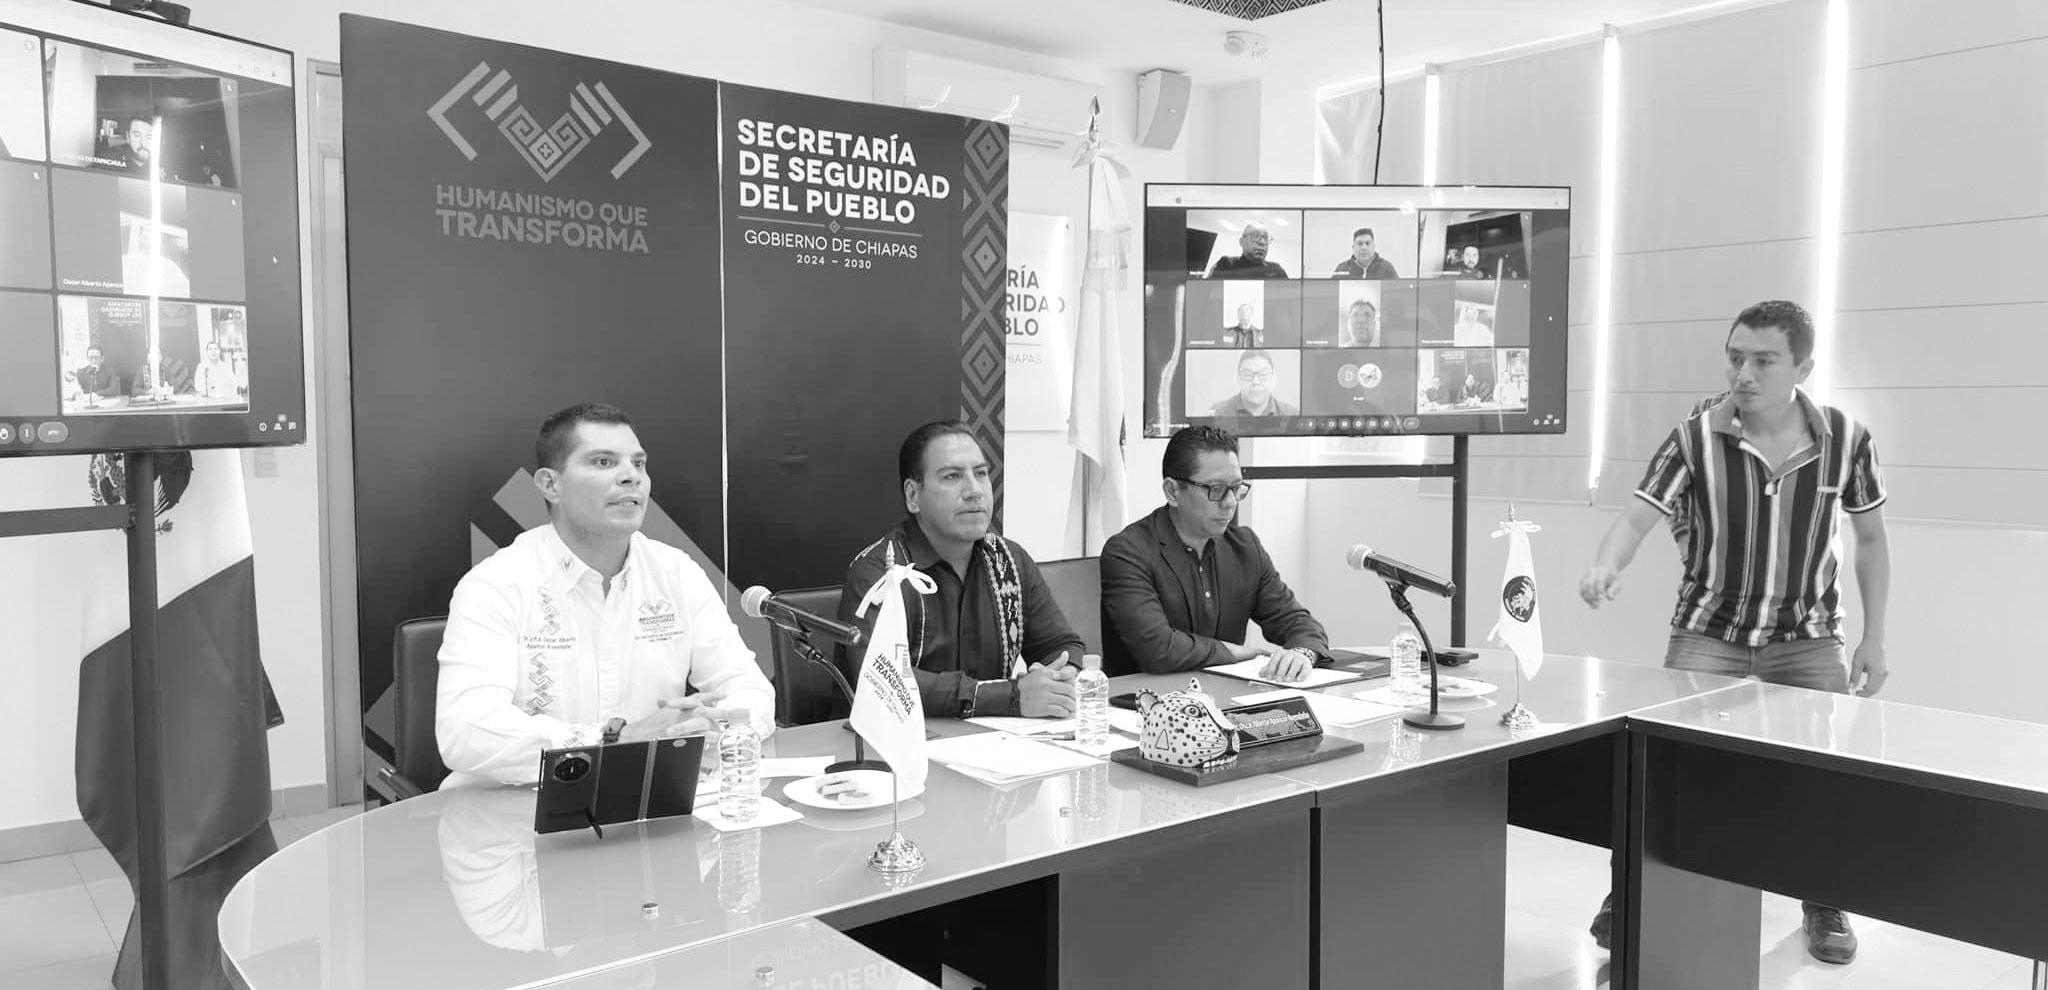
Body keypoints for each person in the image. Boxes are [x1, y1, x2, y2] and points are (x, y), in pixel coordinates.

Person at [1577, 300, 1891, 965]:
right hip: (1707, 634)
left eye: (1763, 360)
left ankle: (1824, 899)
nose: (1743, 373)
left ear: (1802, 367)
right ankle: (1626, 895)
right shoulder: (1695, 437)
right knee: (1664, 774)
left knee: (1819, 779)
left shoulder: (1846, 439)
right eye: (1735, 357)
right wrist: (1606, 565)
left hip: (1807, 639)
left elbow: (1870, 539)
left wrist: (1876, 636)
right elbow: (1635, 518)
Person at [436, 403, 774, 789]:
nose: (631, 476)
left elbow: (749, 688)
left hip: (653, 797)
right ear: (550, 485)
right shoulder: (497, 584)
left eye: (639, 463)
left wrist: (712, 726)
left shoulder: (675, 573)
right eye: (603, 462)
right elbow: (464, 730)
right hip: (514, 807)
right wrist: (616, 740)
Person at [838, 421, 1085, 719]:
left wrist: (1058, 679)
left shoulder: (1009, 560)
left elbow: (1062, 645)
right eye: (952, 476)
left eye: (980, 473)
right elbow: (882, 680)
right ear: (913, 495)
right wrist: (1010, 697)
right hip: (893, 740)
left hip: (994, 739)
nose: (974, 491)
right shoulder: (881, 573)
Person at [1100, 426, 1329, 678]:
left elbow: (1298, 622)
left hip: (1225, 693)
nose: (1230, 502)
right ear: (1172, 491)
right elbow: (1159, 649)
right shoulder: (1128, 552)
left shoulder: (1245, 547)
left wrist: (1301, 654)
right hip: (1147, 697)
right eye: (1216, 489)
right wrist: (1238, 652)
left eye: (1237, 488)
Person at [1209, 349, 1298, 418]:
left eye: (1263, 374)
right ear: (1238, 379)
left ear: (1273, 378)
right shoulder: (1219, 413)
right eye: (1247, 374)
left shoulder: (1291, 414)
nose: (1255, 382)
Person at [1207, 221, 1289, 279]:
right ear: (1241, 242)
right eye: (1255, 236)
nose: (1262, 242)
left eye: (1265, 238)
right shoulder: (1227, 264)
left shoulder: (1275, 269)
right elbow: (1205, 293)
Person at [1332, 226, 1399, 278]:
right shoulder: (1342, 268)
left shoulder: (1386, 268)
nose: (1364, 248)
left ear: (1374, 246)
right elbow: (1331, 290)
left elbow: (1397, 290)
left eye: (1367, 243)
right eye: (1360, 244)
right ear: (1353, 247)